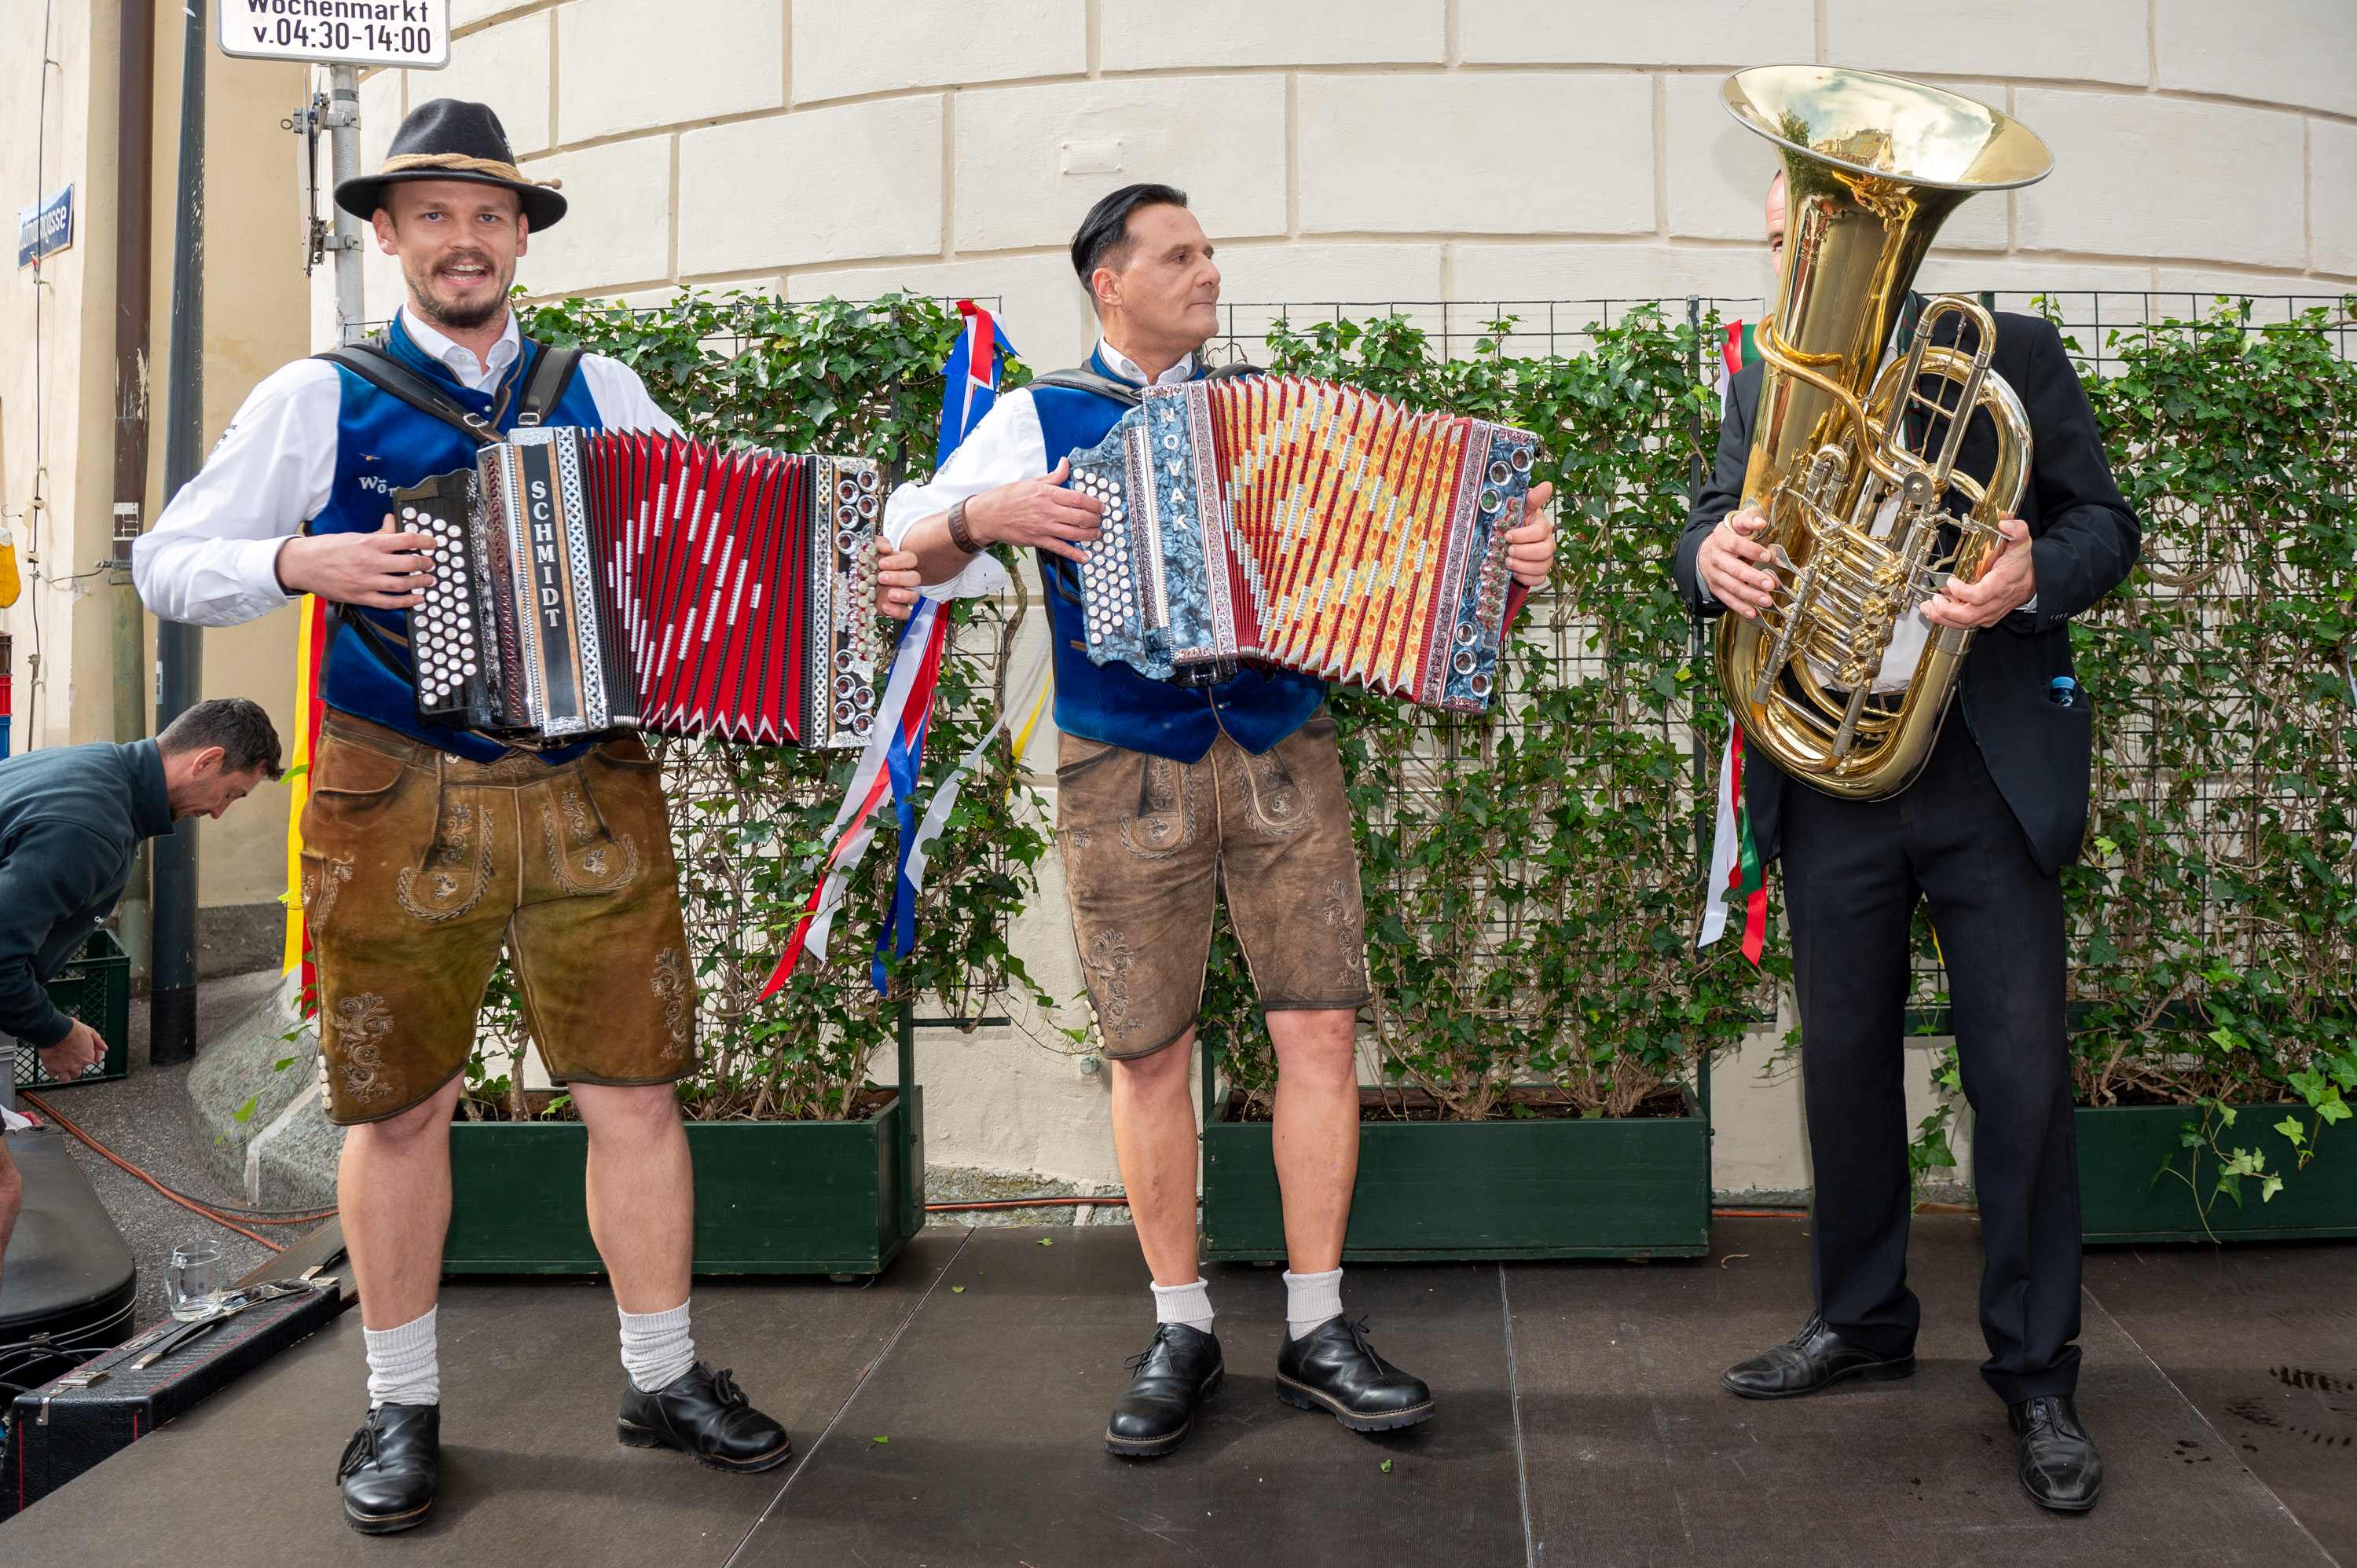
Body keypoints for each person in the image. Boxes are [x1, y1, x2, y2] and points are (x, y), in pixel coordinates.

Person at [134, 99, 790, 1535]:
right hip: (395, 790)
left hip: (590, 785)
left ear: (520, 238)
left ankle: (662, 1374)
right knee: (402, 1104)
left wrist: (836, 578)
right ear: (386, 234)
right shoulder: (323, 395)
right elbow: (169, 562)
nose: (465, 240)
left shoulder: (598, 385)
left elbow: (718, 543)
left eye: (490, 215)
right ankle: (402, 1401)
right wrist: (304, 556)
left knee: (635, 1092)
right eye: (434, 214)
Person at [876, 183, 1557, 1459]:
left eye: (1208, 251)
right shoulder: (1042, 416)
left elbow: (1401, 566)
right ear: (1107, 282)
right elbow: (901, 553)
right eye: (1178, 254)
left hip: (1284, 753)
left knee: (1317, 1030)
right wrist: (984, 516)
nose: (1207, 270)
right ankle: (1180, 1323)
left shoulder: (1272, 416)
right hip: (1125, 768)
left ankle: (1318, 1323)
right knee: (1147, 1051)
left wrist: (1502, 568)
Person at [1675, 170, 2141, 1513]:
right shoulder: (1768, 378)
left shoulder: (2012, 353)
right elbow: (1714, 517)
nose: (1794, 219)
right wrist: (1711, 560)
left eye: (1816, 202)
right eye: (1788, 194)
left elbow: (2105, 525)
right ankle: (1863, 1321)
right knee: (1843, 1071)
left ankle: (2039, 1376)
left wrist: (2030, 576)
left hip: (1981, 776)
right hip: (1831, 775)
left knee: (2022, 1078)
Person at [0, 698, 280, 1294]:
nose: (222, 813)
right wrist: (55, 1031)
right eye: (232, 794)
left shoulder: (92, 770)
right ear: (206, 760)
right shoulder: (92, 827)